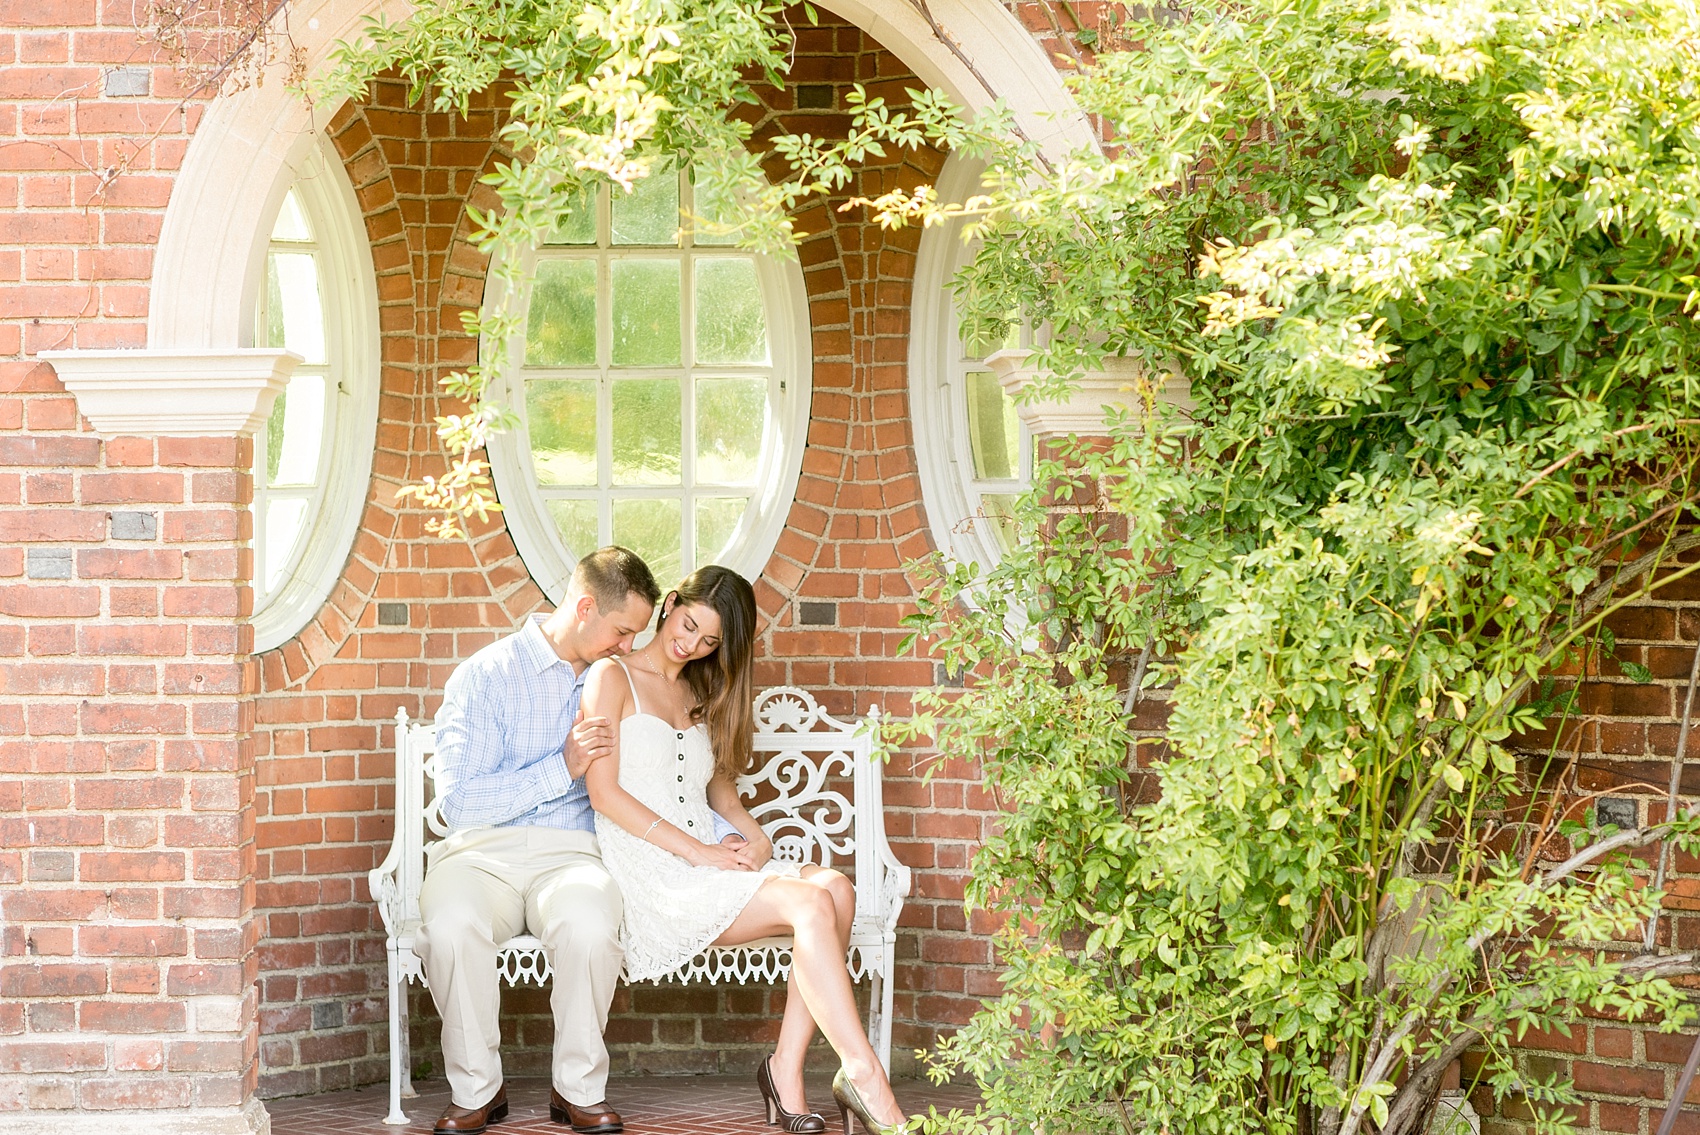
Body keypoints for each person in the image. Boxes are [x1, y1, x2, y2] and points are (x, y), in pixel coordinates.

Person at [416, 547, 753, 1135]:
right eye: (622, 631)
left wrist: (729, 840)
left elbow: (675, 776)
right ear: (585, 607)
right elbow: (459, 804)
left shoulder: (614, 678)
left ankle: (576, 1090)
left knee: (593, 928)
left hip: (573, 854)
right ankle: (477, 1091)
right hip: (478, 856)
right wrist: (561, 766)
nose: (627, 645)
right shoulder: (487, 675)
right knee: (450, 926)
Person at [581, 565, 910, 1135]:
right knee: (810, 905)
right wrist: (697, 853)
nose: (691, 645)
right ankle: (865, 1076)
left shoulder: (698, 688)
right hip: (653, 870)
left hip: (704, 853)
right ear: (672, 603)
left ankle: (785, 1069)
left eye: (709, 642)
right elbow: (604, 795)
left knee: (836, 888)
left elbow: (717, 793)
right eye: (688, 626)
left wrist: (754, 836)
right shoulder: (611, 678)